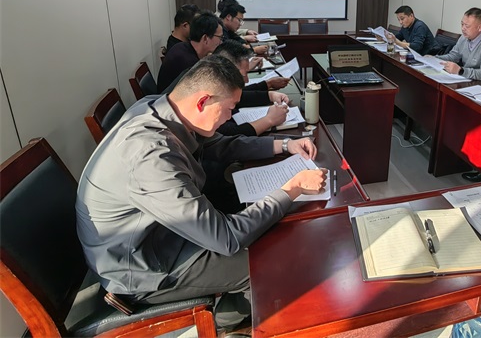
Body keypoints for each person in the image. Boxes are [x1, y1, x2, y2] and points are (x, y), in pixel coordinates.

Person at [76, 56, 326, 329]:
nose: (230, 117)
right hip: (144, 268)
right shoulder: (150, 156)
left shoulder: (161, 109)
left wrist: (284, 145)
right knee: (269, 260)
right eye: (229, 109)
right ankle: (227, 325)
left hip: (159, 234)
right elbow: (227, 238)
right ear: (202, 101)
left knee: (266, 224)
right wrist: (291, 189)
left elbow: (221, 145)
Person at [157, 11, 224, 92]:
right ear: (205, 38)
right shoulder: (189, 63)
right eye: (220, 37)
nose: (221, 42)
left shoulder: (182, 46)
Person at [435, 7, 481, 86]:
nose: (463, 28)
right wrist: (435, 58)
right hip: (468, 82)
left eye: (467, 26)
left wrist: (461, 71)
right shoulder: (464, 37)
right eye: (462, 24)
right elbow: (454, 56)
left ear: (480, 28)